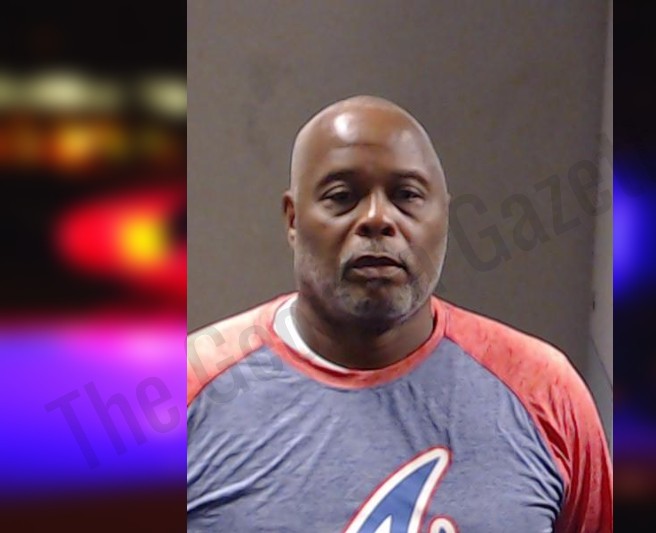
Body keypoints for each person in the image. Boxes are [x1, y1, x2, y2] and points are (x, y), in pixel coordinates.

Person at [187, 95, 612, 532]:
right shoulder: (184, 391)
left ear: (444, 216)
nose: (377, 219)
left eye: (407, 196)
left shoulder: (545, 392)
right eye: (342, 197)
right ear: (293, 220)